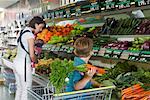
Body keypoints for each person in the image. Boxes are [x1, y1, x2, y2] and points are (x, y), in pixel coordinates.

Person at [13, 16, 45, 100]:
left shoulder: (23, 31)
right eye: (40, 27)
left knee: (20, 88)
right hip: (23, 65)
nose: (40, 30)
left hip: (16, 63)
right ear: (36, 25)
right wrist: (36, 61)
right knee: (26, 89)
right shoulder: (30, 35)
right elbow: (32, 55)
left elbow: (24, 46)